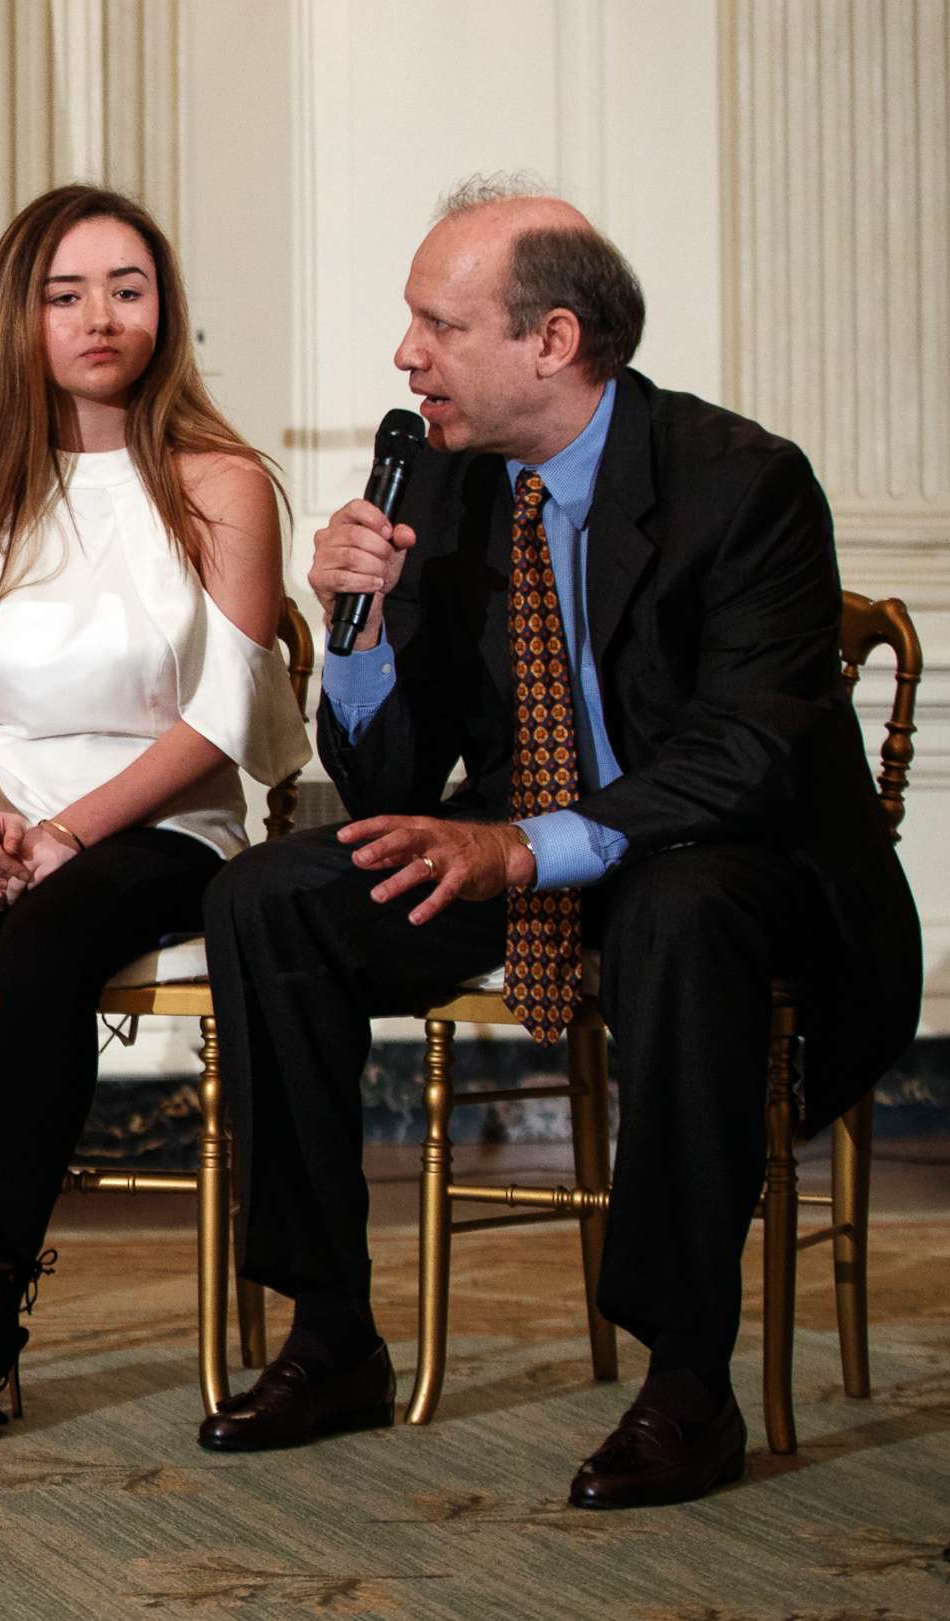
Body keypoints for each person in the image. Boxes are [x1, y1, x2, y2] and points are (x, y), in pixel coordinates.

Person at [195, 175, 919, 1508]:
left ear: (555, 340)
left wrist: (532, 850)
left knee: (675, 910)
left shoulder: (744, 484)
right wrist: (354, 630)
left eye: (437, 325)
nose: (406, 355)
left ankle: (687, 1381)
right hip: (525, 834)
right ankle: (332, 1334)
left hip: (737, 858)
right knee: (272, 898)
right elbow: (392, 785)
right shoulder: (451, 483)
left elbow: (740, 755)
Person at [0, 185, 310, 1440]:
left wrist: (67, 833)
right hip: (9, 809)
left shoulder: (224, 485)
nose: (100, 315)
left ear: (165, 308)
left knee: (49, 943)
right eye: (66, 293)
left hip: (162, 823)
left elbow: (221, 719)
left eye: (127, 286)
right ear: (21, 318)